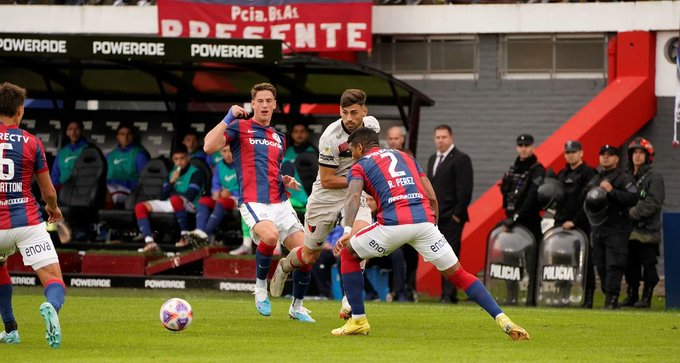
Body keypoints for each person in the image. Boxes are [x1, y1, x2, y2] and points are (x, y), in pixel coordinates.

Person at [330, 127, 529, 340]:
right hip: (425, 223)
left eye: (352, 151)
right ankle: (503, 319)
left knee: (349, 254)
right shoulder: (405, 156)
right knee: (459, 274)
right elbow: (430, 194)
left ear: (360, 147)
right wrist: (433, 224)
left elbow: (352, 197)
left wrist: (348, 230)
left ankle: (358, 320)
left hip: (393, 224)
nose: (352, 156)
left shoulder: (360, 165)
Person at [203, 82, 314, 322]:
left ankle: (297, 307)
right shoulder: (239, 127)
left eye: (268, 101)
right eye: (259, 101)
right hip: (254, 201)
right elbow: (209, 146)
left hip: (281, 202)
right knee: (270, 236)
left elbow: (270, 170)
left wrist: (285, 180)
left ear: (275, 105)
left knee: (307, 254)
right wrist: (227, 116)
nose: (264, 105)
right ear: (253, 104)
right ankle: (260, 287)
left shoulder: (279, 137)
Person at [269, 89, 379, 318]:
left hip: (353, 192)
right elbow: (328, 180)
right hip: (325, 197)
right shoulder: (331, 136)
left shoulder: (372, 127)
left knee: (360, 239)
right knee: (310, 255)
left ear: (364, 112)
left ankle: (350, 301)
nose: (349, 118)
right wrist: (359, 180)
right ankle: (284, 266)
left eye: (354, 113)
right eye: (344, 112)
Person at [0, 82, 66, 348]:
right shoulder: (32, 143)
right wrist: (53, 208)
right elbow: (48, 191)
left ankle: (11, 329)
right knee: (53, 278)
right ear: (19, 111)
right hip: (27, 222)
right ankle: (51, 306)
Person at [583, 144, 638, 309]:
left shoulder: (624, 178)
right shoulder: (596, 177)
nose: (605, 157)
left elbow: (635, 197)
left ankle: (612, 299)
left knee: (614, 264)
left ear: (616, 158)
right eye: (602, 154)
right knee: (600, 264)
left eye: (609, 154)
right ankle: (608, 294)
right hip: (598, 228)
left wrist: (612, 191)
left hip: (617, 228)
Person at [427, 124, 473, 304]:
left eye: (444, 137)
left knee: (450, 255)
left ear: (451, 138)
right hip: (437, 217)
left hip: (452, 218)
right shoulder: (432, 159)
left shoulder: (461, 159)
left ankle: (449, 294)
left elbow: (465, 190)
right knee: (439, 254)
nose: (441, 140)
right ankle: (445, 294)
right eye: (437, 137)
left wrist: (457, 214)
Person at [135, 144, 204, 252]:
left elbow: (191, 195)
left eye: (182, 158)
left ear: (188, 157)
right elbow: (162, 196)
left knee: (175, 199)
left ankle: (185, 237)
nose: (179, 162)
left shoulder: (196, 173)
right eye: (176, 159)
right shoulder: (172, 173)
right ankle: (149, 242)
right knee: (140, 206)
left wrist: (173, 193)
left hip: (190, 206)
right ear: (173, 159)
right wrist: (171, 182)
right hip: (172, 202)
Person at [621, 138, 665, 309]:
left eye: (641, 153)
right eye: (634, 153)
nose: (637, 156)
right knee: (629, 265)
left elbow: (653, 202)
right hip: (628, 231)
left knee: (648, 266)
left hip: (647, 231)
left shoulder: (654, 178)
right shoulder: (626, 177)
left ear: (648, 156)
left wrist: (631, 213)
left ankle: (646, 297)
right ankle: (631, 295)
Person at [553, 140, 597, 308]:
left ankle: (588, 297)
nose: (570, 155)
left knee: (585, 261)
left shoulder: (589, 173)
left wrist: (576, 221)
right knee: (562, 260)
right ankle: (564, 295)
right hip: (562, 223)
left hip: (581, 224)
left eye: (574, 152)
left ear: (581, 153)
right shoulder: (562, 174)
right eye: (568, 152)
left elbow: (588, 202)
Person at [185, 144, 248, 249]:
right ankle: (200, 230)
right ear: (220, 152)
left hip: (240, 199)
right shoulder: (219, 166)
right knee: (204, 201)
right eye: (224, 151)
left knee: (221, 201)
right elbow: (215, 186)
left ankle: (205, 233)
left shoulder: (243, 165)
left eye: (230, 151)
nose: (228, 154)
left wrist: (231, 192)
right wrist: (217, 192)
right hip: (223, 198)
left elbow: (248, 186)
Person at [385, 125, 416, 301]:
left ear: (402, 139)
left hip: (410, 215)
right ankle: (394, 291)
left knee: (411, 255)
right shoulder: (382, 160)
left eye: (396, 138)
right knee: (394, 252)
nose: (393, 141)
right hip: (390, 216)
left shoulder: (408, 158)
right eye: (390, 138)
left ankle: (408, 290)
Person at [106, 123, 150, 207]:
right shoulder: (110, 155)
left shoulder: (139, 155)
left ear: (132, 136)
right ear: (117, 137)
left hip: (130, 191)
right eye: (122, 134)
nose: (125, 137)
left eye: (128, 134)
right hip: (109, 189)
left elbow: (144, 181)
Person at [282, 122, 318, 212]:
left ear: (307, 133)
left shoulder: (314, 152)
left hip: (309, 196)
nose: (299, 134)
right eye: (296, 131)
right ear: (292, 134)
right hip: (290, 197)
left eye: (302, 131)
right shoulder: (286, 152)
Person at [51, 121, 92, 192]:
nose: (73, 132)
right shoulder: (62, 152)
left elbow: (92, 174)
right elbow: (55, 175)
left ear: (82, 131)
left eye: (77, 129)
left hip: (82, 190)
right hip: (62, 190)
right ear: (67, 132)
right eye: (70, 129)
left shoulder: (89, 150)